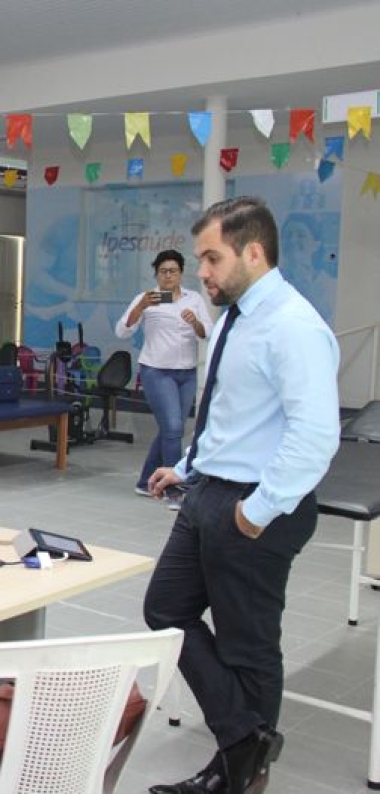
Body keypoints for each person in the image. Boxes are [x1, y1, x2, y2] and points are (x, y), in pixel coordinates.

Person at [143, 198, 340, 794]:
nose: (201, 272)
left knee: (246, 646)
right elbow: (229, 414)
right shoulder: (235, 315)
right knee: (165, 612)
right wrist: (185, 466)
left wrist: (256, 512)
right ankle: (244, 740)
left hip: (256, 506)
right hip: (209, 491)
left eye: (211, 258)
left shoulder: (294, 325)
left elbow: (315, 436)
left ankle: (237, 775)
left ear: (254, 252)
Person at [115, 250, 211, 509]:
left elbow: (206, 333)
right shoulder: (146, 298)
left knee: (172, 428)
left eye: (173, 271)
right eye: (163, 271)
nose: (168, 276)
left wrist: (195, 323)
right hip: (156, 370)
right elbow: (123, 330)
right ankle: (175, 491)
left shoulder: (194, 299)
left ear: (181, 273)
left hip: (187, 372)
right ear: (156, 274)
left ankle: (146, 480)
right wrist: (141, 307)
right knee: (173, 428)